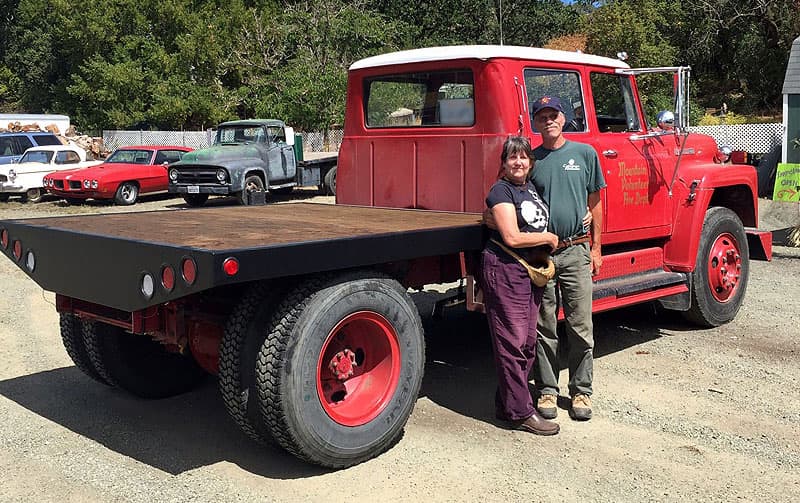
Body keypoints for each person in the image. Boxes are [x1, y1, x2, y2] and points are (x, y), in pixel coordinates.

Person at [528, 95, 606, 421]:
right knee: (544, 326)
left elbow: (597, 202)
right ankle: (547, 389)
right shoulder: (531, 160)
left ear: (563, 119)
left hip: (576, 250)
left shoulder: (584, 154)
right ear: (536, 122)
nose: (549, 120)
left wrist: (597, 248)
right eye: (542, 115)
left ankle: (581, 392)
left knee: (580, 325)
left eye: (553, 114)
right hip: (542, 255)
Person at [480, 135, 560, 436]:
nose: (518, 162)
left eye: (523, 157)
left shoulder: (530, 189)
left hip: (528, 271)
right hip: (506, 269)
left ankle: (506, 402)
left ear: (530, 162)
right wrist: (549, 238)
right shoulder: (500, 191)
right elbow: (512, 237)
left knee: (527, 342)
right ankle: (521, 412)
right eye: (512, 157)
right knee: (512, 343)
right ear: (503, 164)